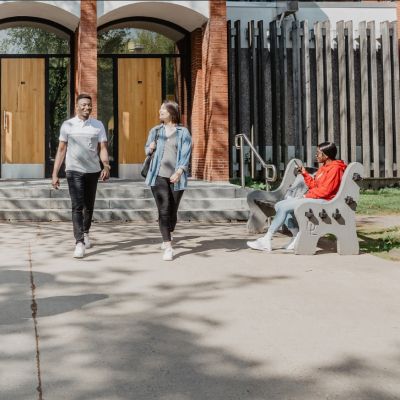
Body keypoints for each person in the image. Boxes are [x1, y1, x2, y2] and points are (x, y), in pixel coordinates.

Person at [247, 142, 347, 252]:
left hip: (326, 202)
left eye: (318, 153)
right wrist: (304, 173)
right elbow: (315, 185)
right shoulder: (324, 168)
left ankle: (267, 240)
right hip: (317, 198)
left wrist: (305, 196)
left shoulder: (335, 169)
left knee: (284, 207)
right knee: (279, 205)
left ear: (326, 155)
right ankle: (295, 236)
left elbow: (326, 191)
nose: (316, 155)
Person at [52, 93, 110, 258]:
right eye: (83, 105)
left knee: (88, 206)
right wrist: (55, 173)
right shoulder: (68, 125)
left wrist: (105, 165)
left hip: (93, 171)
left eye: (89, 105)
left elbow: (103, 148)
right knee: (77, 206)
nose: (87, 107)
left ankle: (85, 232)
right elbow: (61, 150)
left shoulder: (97, 125)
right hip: (73, 170)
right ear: (76, 106)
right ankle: (79, 242)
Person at [144, 101, 192, 261]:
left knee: (172, 211)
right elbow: (147, 149)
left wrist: (179, 172)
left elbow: (185, 154)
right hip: (158, 175)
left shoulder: (183, 132)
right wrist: (149, 148)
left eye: (163, 109)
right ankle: (168, 245)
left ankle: (168, 230)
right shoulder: (156, 131)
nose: (160, 111)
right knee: (163, 210)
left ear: (172, 112)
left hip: (177, 177)